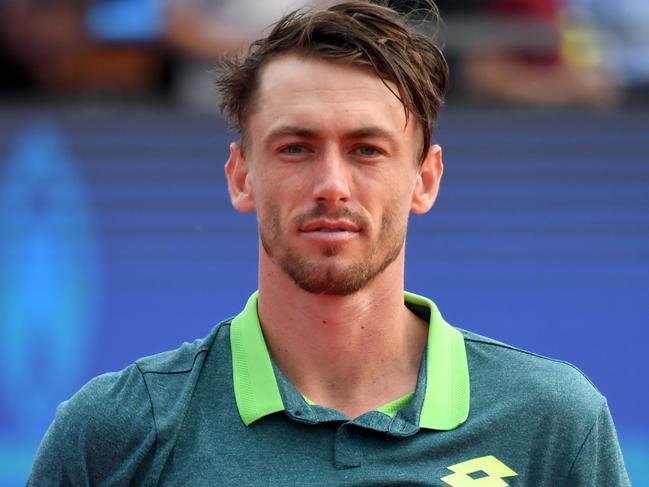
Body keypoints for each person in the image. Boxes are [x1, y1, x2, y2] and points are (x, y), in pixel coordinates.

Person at [28, 1, 630, 485]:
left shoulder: (554, 423)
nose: (331, 186)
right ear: (241, 176)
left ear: (425, 179)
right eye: (296, 147)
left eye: (367, 149)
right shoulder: (112, 433)